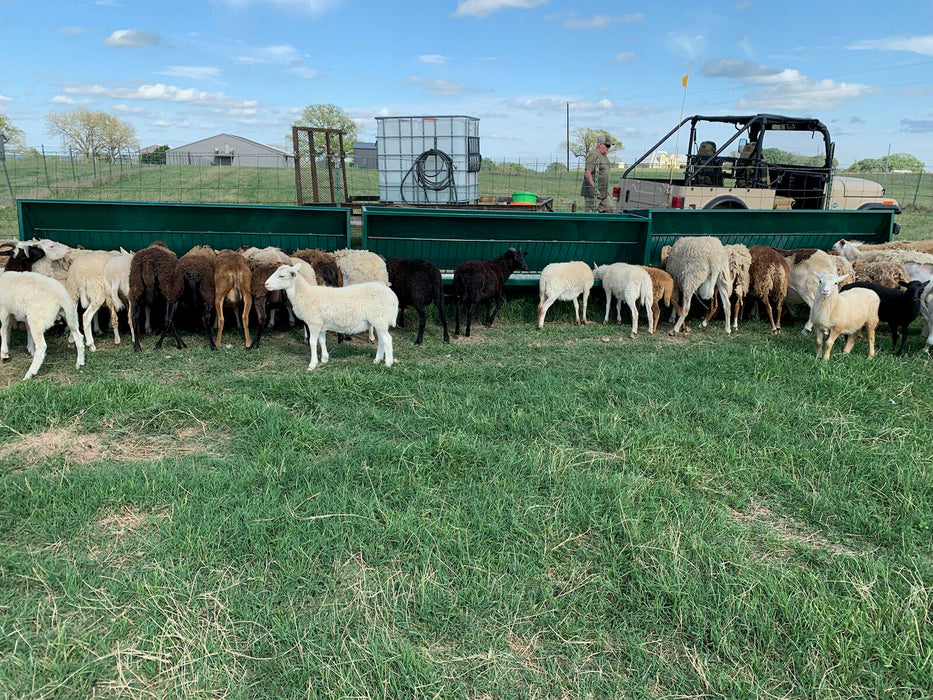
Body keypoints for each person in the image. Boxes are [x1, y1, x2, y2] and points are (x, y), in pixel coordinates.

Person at [581, 134, 613, 213]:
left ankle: (603, 225)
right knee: (590, 215)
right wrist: (595, 188)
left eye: (609, 146)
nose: (608, 148)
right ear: (600, 144)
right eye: (607, 146)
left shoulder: (604, 156)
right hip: (593, 193)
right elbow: (587, 174)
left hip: (603, 193)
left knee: (609, 210)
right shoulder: (594, 155)